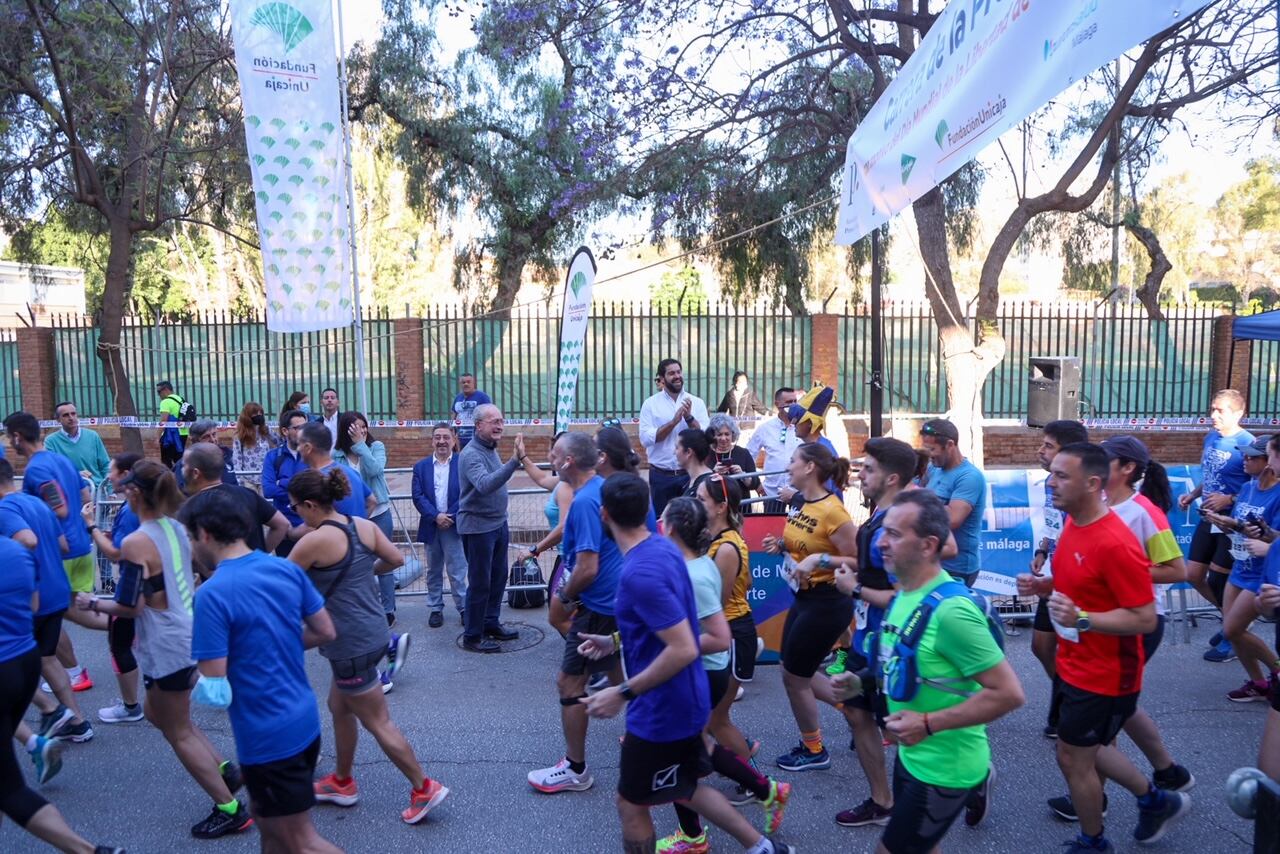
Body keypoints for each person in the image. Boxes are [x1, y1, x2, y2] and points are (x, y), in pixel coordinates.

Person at [577, 473, 795, 854]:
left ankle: (756, 842)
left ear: (604, 514)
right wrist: (614, 640)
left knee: (631, 802)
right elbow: (672, 625)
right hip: (685, 698)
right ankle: (763, 847)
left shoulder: (640, 571)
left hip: (662, 709)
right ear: (647, 511)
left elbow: (683, 646)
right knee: (686, 786)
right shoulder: (663, 550)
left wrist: (621, 692)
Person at [1017, 443, 1190, 851]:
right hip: (1077, 659)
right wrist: (1047, 587)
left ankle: (1093, 841)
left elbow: (1146, 618)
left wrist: (1081, 619)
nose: (1050, 481)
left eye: (1062, 475)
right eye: (1051, 473)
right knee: (1081, 748)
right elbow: (1080, 585)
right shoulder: (1076, 523)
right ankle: (1155, 799)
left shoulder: (1117, 541)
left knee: (1072, 755)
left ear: (1093, 484)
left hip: (1107, 670)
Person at [835, 490, 1025, 854]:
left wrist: (926, 723)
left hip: (946, 766)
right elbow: (905, 664)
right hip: (913, 757)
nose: (881, 543)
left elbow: (1009, 693)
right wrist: (861, 682)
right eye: (882, 532)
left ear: (927, 546)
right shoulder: (906, 594)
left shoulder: (952, 611)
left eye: (894, 534)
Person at [74, 460, 252, 838]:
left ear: (135, 493)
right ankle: (225, 770)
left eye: (123, 486)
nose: (120, 490)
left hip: (168, 645)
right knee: (161, 715)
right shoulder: (176, 528)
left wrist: (90, 603)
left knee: (179, 731)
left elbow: (129, 607)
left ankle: (230, 808)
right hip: (187, 632)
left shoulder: (139, 540)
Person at [287, 469, 450, 825]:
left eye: (296, 507)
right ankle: (342, 782)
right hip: (375, 631)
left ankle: (424, 787)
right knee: (338, 706)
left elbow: (279, 585)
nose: (295, 514)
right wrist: (362, 574)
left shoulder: (312, 543)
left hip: (350, 645)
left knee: (378, 721)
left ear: (311, 504)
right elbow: (394, 560)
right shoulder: (362, 525)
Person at [185, 487, 341, 854]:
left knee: (301, 842)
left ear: (205, 535)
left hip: (266, 736)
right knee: (270, 831)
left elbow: (214, 690)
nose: (190, 548)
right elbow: (325, 630)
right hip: (303, 720)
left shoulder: (211, 594)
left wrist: (182, 668)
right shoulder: (284, 569)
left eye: (190, 538)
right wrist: (276, 643)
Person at [657, 496, 791, 854]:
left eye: (662, 518)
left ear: (670, 528)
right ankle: (767, 790)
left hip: (700, 673)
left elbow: (717, 638)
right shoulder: (690, 565)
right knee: (698, 747)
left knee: (678, 759)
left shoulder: (696, 573)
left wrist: (668, 646)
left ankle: (693, 837)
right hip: (696, 671)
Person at [0, 534, 124, 854]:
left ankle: (91, 851)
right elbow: (34, 604)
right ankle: (34, 741)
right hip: (25, 662)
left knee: (10, 789)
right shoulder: (16, 551)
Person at [828, 437, 918, 829]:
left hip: (895, 645)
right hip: (866, 637)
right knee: (853, 710)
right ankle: (882, 802)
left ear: (892, 478)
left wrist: (856, 589)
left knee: (899, 728)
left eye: (868, 469)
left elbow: (907, 597)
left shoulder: (900, 526)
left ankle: (970, 777)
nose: (859, 474)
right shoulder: (878, 514)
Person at [528, 432, 626, 795]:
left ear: (568, 461)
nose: (550, 460)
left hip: (596, 605)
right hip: (613, 602)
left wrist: (566, 597)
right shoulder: (603, 486)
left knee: (568, 683)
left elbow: (587, 567)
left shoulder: (585, 500)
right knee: (618, 669)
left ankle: (576, 768)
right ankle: (643, 734)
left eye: (554, 454)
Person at [763, 441, 856, 772]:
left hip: (828, 601)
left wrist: (821, 559)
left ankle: (814, 749)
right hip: (803, 597)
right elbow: (802, 541)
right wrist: (782, 545)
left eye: (793, 461)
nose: (788, 466)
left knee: (795, 676)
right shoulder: (803, 503)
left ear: (809, 468)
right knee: (792, 671)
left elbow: (859, 561)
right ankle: (858, 710)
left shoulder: (834, 511)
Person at [0, 459, 94, 747]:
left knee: (17, 662)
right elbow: (62, 545)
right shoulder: (37, 503)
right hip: (55, 594)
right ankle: (77, 722)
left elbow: (26, 540)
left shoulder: (4, 510)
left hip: (33, 596)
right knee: (47, 659)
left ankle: (49, 712)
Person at [4, 411, 95, 693]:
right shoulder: (61, 459)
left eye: (9, 437)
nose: (9, 443)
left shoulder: (37, 469)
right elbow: (85, 496)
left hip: (63, 550)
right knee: (67, 610)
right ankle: (121, 626)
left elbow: (60, 509)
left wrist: (54, 535)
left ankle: (77, 670)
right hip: (79, 545)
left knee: (53, 611)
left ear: (18, 437)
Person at [1202, 433, 1280, 702]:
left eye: (1252, 457)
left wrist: (1268, 546)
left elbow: (1274, 535)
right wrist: (1224, 522)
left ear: (1268, 462)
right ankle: (1259, 683)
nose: (1244, 460)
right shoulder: (1247, 488)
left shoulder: (1278, 494)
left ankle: (1277, 672)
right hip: (1240, 567)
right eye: (1244, 455)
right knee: (1233, 631)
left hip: (1260, 573)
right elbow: (1241, 527)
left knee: (1232, 629)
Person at [1178, 389, 1254, 663]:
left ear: (1238, 413)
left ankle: (1235, 634)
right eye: (1213, 409)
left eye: (1220, 410)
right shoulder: (1211, 438)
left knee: (1219, 580)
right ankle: (1231, 621)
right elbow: (1210, 476)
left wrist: (1229, 498)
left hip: (1232, 522)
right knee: (1193, 575)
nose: (1214, 416)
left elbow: (1258, 484)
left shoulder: (1248, 443)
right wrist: (1194, 494)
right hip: (1207, 517)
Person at [1031, 419, 1090, 740]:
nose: (1040, 450)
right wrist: (1043, 549)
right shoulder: (1049, 483)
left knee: (1071, 649)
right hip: (1055, 576)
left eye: (1048, 445)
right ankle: (1065, 691)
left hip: (1078, 584)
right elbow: (1053, 523)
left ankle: (1070, 706)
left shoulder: (1090, 489)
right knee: (1041, 645)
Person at [458, 404, 525, 653]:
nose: (499, 425)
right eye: (493, 421)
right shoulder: (471, 454)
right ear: (478, 426)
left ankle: (490, 622)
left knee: (498, 578)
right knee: (480, 582)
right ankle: (472, 636)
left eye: (501, 420)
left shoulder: (490, 448)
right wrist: (514, 462)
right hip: (477, 528)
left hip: (497, 523)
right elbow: (485, 485)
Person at [85, 453, 146, 723]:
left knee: (119, 643)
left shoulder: (132, 509)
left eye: (112, 471)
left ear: (126, 475)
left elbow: (116, 554)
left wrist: (92, 528)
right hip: (145, 586)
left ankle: (132, 707)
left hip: (134, 585)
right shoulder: (136, 506)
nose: (108, 476)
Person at [332, 411, 397, 628]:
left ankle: (388, 609)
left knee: (384, 561)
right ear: (346, 430)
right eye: (355, 427)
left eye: (364, 426)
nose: (361, 430)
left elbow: (375, 470)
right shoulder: (337, 455)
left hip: (379, 514)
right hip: (352, 517)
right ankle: (361, 607)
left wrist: (361, 446)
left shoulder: (375, 447)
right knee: (356, 563)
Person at [177, 443, 289, 560]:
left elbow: (189, 551)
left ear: (196, 473)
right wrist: (259, 554)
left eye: (184, 466)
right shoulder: (248, 494)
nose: (181, 470)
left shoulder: (191, 507)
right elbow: (282, 524)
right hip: (253, 572)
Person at [412, 423, 470, 629]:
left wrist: (449, 516)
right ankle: (436, 608)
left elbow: (467, 493)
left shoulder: (462, 463)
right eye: (437, 437)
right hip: (431, 526)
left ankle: (464, 609)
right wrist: (436, 516)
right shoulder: (421, 467)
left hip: (454, 527)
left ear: (453, 440)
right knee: (433, 571)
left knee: (457, 571)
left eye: (446, 437)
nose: (442, 441)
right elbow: (418, 497)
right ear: (432, 440)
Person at [517, 431, 573, 636]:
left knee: (559, 612)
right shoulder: (561, 482)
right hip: (564, 554)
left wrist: (535, 549)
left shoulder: (567, 486)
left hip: (571, 557)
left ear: (569, 457)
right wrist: (522, 456)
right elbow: (540, 478)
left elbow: (565, 526)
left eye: (555, 452)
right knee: (560, 609)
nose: (550, 456)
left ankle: (586, 652)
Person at [639, 358, 710, 518]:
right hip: (661, 477)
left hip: (690, 475)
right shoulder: (650, 404)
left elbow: (704, 437)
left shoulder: (696, 403)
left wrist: (689, 418)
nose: (677, 376)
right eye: (671, 373)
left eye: (678, 372)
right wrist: (673, 422)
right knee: (663, 523)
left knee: (693, 522)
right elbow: (645, 439)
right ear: (662, 379)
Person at [921, 418, 986, 588]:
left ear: (950, 445)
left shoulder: (969, 477)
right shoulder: (933, 468)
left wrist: (920, 504)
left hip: (957, 568)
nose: (929, 454)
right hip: (936, 561)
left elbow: (953, 520)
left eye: (932, 449)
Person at [296, 422, 374, 522]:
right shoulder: (350, 472)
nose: (297, 449)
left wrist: (291, 532)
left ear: (307, 447)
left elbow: (313, 524)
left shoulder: (314, 481)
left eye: (298, 444)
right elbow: (372, 501)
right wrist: (357, 526)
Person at [779, 385, 840, 502]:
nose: (793, 422)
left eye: (798, 418)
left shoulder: (823, 452)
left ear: (810, 424)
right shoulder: (812, 448)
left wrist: (793, 496)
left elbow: (823, 496)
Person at [261, 410, 309, 557]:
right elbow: (268, 490)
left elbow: (317, 488)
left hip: (310, 525)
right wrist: (300, 491)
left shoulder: (312, 454)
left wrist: (283, 482)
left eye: (305, 428)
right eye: (297, 428)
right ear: (284, 431)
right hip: (285, 529)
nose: (302, 432)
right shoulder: (273, 457)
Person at [745, 387, 800, 509]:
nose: (793, 405)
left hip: (798, 493)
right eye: (789, 402)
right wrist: (756, 483)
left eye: (795, 401)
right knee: (772, 528)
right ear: (777, 404)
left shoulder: (803, 427)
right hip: (772, 494)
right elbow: (748, 456)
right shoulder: (765, 428)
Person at [45, 401, 111, 487]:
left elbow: (105, 465)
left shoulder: (92, 436)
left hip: (96, 489)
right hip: (69, 491)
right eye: (66, 415)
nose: (71, 418)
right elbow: (52, 469)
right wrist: (76, 474)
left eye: (73, 413)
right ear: (58, 419)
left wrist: (110, 490)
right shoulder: (51, 441)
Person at [707, 414, 760, 496]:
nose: (723, 438)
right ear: (713, 436)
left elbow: (755, 483)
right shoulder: (707, 454)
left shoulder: (743, 453)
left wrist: (743, 475)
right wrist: (713, 473)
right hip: (715, 503)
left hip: (741, 505)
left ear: (733, 434)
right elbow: (699, 482)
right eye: (719, 434)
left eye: (727, 434)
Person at [175, 421, 237, 490]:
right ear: (194, 441)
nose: (213, 440)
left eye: (214, 434)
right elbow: (181, 490)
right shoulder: (186, 464)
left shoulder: (230, 456)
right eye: (206, 437)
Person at [230, 402, 276, 488]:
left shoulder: (266, 431)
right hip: (248, 479)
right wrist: (240, 480)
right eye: (255, 413)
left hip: (265, 477)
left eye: (260, 413)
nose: (259, 416)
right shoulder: (240, 436)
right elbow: (237, 459)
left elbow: (280, 441)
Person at [452, 373, 493, 449]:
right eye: (463, 382)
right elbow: (454, 414)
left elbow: (489, 414)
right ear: (460, 384)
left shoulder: (482, 397)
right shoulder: (458, 398)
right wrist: (453, 433)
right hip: (460, 439)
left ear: (473, 383)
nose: (466, 384)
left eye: (468, 382)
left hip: (478, 439)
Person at [157, 380, 191, 468]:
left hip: (171, 436)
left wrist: (157, 437)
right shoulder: (181, 400)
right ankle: (180, 478)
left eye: (159, 392)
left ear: (166, 390)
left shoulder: (165, 402)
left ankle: (169, 480)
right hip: (183, 434)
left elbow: (164, 420)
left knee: (166, 461)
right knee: (179, 460)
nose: (158, 395)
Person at [677, 428, 716, 500]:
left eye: (677, 448)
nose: (674, 452)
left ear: (688, 452)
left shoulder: (706, 486)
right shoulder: (693, 480)